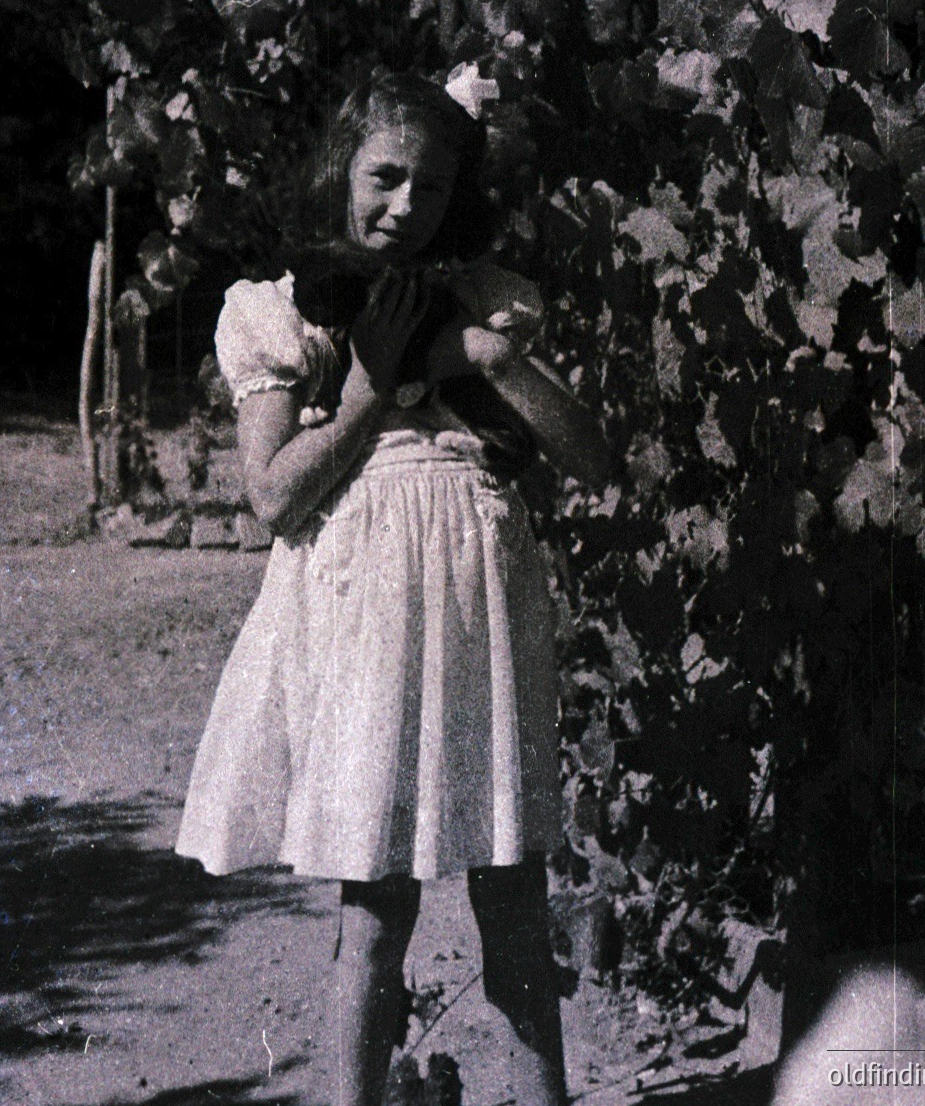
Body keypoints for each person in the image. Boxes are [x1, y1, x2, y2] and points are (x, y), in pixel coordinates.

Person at [176, 68, 610, 1106]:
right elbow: (275, 495)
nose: (405, 205)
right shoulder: (284, 313)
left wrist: (473, 353)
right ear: (340, 169)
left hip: (482, 596)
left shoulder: (482, 296)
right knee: (376, 903)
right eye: (384, 176)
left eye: (430, 185)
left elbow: (594, 459)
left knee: (512, 882)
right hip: (367, 606)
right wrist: (372, 387)